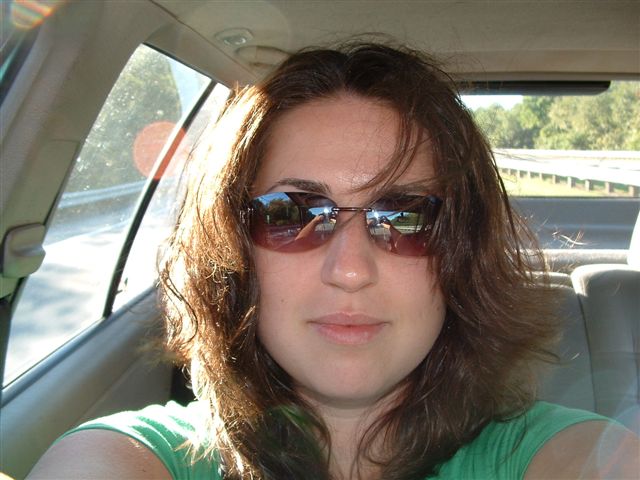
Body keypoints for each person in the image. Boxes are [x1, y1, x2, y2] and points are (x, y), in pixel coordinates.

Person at [28, 42, 639, 480]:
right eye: (291, 213)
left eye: (405, 216)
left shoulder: (572, 455)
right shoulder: (131, 457)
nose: (350, 270)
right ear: (234, 250)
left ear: (461, 255)